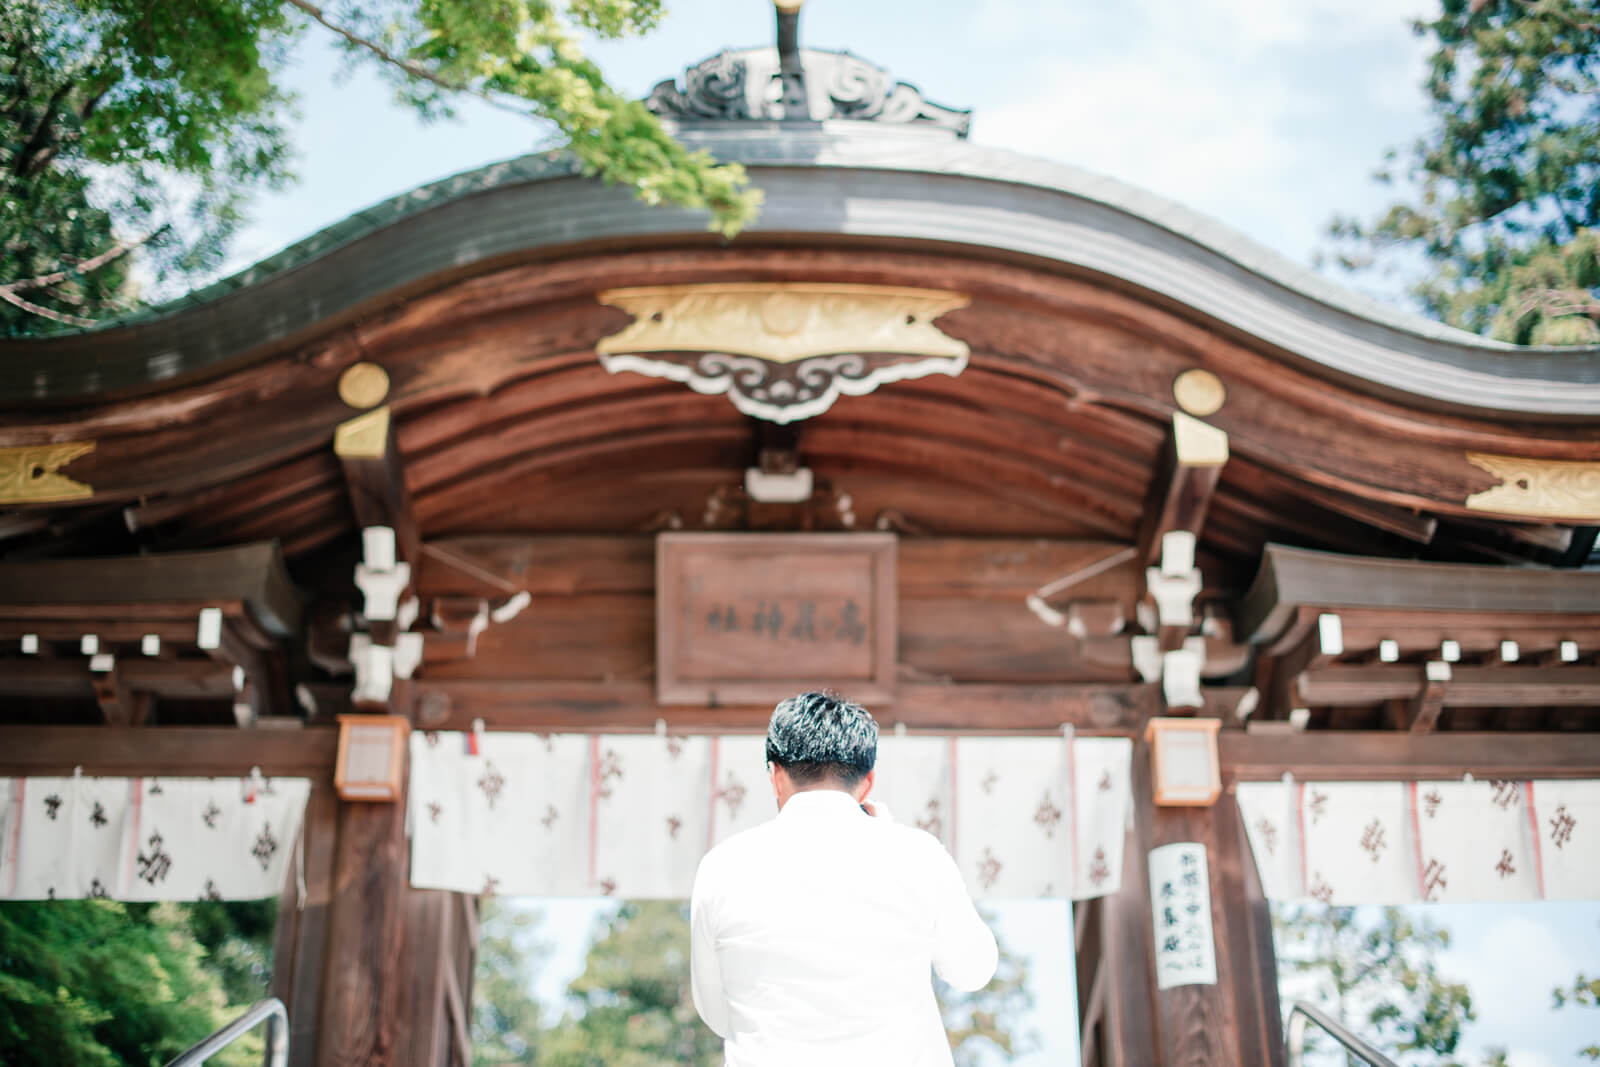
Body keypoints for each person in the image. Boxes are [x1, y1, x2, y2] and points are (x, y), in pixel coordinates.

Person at [689, 690, 998, 1067]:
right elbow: (973, 970)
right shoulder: (917, 854)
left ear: (775, 775)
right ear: (867, 783)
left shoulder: (722, 866)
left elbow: (718, 1013)